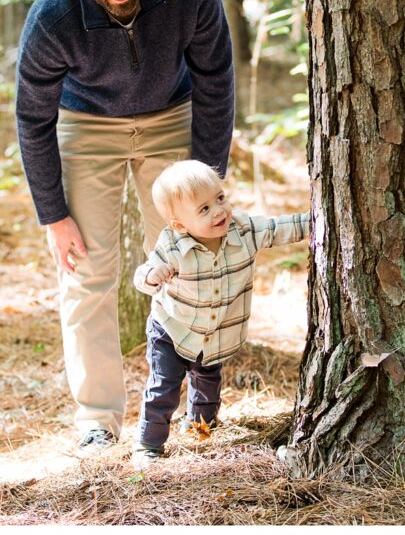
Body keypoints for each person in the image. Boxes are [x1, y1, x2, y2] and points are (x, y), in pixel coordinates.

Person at [15, 0, 235, 455]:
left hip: (170, 117)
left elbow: (215, 84)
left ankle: (193, 406)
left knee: (186, 262)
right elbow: (33, 118)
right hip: (87, 127)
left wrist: (207, 185)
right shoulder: (53, 17)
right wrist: (54, 215)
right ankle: (96, 418)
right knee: (86, 271)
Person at [130, 160, 310, 469]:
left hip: (213, 335)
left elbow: (281, 228)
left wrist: (318, 218)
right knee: (163, 387)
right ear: (180, 225)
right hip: (172, 329)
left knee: (207, 385)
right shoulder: (172, 245)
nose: (218, 211)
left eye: (220, 198)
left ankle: (201, 428)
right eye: (204, 209)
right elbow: (142, 276)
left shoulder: (244, 230)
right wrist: (152, 275)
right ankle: (149, 445)